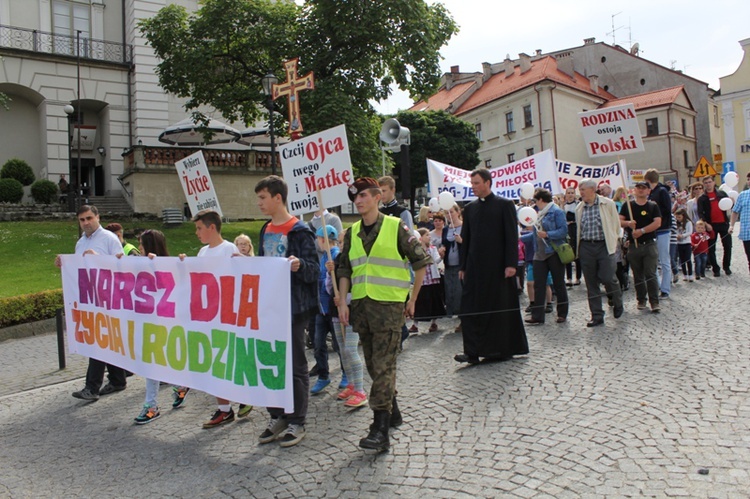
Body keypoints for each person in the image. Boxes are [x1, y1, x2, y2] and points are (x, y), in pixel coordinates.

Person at [336, 177, 430, 452]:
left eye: (364, 195)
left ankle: (379, 428)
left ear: (378, 197)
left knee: (384, 365)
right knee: (374, 365)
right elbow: (344, 269)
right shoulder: (352, 232)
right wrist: (342, 302)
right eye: (355, 197)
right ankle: (394, 411)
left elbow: (421, 261)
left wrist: (413, 298)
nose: (359, 200)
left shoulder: (395, 226)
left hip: (389, 309)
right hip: (362, 310)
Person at [255, 175, 319, 448]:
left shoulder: (300, 230)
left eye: (262, 198)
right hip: (269, 307)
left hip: (293, 308)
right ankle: (277, 416)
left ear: (277, 198)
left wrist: (299, 266)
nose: (259, 203)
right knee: (270, 363)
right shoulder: (265, 229)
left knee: (294, 365)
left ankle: (297, 420)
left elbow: (314, 269)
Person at [180, 210, 251, 428]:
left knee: (231, 360)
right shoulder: (202, 252)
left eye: (199, 228)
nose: (196, 232)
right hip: (207, 316)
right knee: (214, 363)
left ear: (212, 227)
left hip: (226, 316)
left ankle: (246, 396)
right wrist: (183, 263)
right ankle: (224, 409)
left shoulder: (229, 249)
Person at [455, 168, 528, 365]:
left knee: (499, 308)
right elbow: (466, 238)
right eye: (472, 184)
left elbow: (511, 236)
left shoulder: (504, 205)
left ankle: (501, 349)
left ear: (488, 182)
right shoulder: (470, 208)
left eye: (476, 183)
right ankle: (471, 351)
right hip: (474, 268)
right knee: (470, 308)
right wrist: (463, 266)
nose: (473, 187)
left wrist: (511, 264)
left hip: (498, 268)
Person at [55, 205, 127, 401]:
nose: (86, 223)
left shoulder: (109, 239)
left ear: (98, 217)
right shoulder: (80, 243)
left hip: (108, 299)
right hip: (90, 299)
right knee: (106, 339)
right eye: (82, 220)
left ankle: (92, 387)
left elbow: (123, 266)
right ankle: (117, 380)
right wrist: (64, 264)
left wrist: (100, 259)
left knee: (98, 342)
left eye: (89, 218)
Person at [128, 229, 179, 424]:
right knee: (158, 361)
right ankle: (177, 386)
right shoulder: (140, 264)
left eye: (141, 245)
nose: (139, 249)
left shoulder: (167, 265)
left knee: (155, 362)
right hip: (147, 321)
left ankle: (152, 405)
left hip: (163, 322)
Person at [325, 230, 368, 409]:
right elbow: (329, 286)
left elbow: (360, 287)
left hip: (353, 310)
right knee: (342, 350)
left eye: (345, 242)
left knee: (351, 349)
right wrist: (330, 275)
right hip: (337, 311)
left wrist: (344, 299)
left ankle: (360, 390)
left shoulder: (358, 260)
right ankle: (351, 384)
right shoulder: (336, 261)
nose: (342, 245)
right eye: (340, 242)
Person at [575, 179, 623, 326]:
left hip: (604, 245)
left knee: (608, 277)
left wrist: (616, 243)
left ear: (592, 189)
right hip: (586, 246)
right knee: (591, 282)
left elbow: (616, 225)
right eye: (580, 189)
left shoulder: (607, 204)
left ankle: (617, 301)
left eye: (582, 189)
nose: (580, 192)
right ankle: (596, 315)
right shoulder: (579, 208)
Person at [524, 188, 569, 325]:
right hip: (539, 253)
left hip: (554, 252)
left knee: (558, 283)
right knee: (538, 285)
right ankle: (537, 315)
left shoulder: (556, 211)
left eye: (536, 200)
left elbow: (563, 231)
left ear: (541, 200)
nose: (535, 203)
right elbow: (534, 233)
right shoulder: (538, 214)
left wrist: (548, 234)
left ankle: (562, 313)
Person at [310, 225, 345, 395]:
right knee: (318, 344)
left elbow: (343, 278)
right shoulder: (323, 256)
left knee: (339, 344)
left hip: (333, 309)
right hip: (321, 308)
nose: (317, 242)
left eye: (318, 239)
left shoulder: (336, 255)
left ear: (322, 239)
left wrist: (335, 269)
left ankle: (347, 374)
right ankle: (323, 376)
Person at [620, 181, 662, 313]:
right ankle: (641, 300)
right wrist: (628, 223)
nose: (641, 190)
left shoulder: (652, 206)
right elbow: (619, 221)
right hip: (634, 246)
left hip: (649, 243)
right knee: (638, 275)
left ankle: (654, 301)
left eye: (644, 188)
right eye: (638, 188)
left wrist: (642, 231)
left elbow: (657, 223)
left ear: (648, 191)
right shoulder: (628, 205)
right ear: (634, 191)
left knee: (650, 274)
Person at [411, 228, 446, 332]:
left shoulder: (432, 248)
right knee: (419, 302)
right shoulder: (416, 250)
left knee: (434, 301)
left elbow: (435, 260)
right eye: (427, 235)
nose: (429, 237)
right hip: (422, 281)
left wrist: (441, 256)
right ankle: (415, 324)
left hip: (432, 280)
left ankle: (434, 323)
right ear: (420, 238)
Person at [644, 169, 672, 298]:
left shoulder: (662, 191)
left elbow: (667, 209)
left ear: (648, 180)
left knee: (664, 260)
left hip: (663, 229)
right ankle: (657, 285)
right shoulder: (650, 193)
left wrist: (656, 217)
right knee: (653, 261)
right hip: (653, 230)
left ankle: (665, 288)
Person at [698, 175, 732, 276]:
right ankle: (715, 269)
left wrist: (732, 202)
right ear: (704, 184)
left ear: (713, 182)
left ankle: (727, 266)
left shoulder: (722, 194)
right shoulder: (702, 198)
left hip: (723, 224)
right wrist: (706, 224)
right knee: (711, 248)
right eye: (706, 183)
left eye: (709, 182)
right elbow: (700, 213)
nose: (708, 184)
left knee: (728, 246)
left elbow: (729, 205)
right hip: (711, 225)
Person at [443, 203, 463, 332]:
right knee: (450, 291)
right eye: (446, 213)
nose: (449, 215)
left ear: (458, 212)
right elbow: (443, 243)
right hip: (449, 264)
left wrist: (462, 241)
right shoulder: (446, 229)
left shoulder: (465, 226)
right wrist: (442, 249)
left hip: (461, 264)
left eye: (452, 212)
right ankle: (454, 313)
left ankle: (463, 319)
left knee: (460, 291)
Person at [562, 187, 582, 286]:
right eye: (568, 193)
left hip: (576, 230)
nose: (570, 195)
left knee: (577, 254)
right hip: (567, 231)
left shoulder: (578, 205)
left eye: (572, 193)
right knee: (567, 254)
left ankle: (578, 277)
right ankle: (569, 277)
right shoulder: (563, 206)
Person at [730, 186, 750, 273]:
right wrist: (731, 226)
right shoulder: (742, 195)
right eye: (748, 179)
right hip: (746, 233)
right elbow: (735, 211)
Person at [674, 209, 694, 281]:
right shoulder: (676, 223)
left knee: (688, 259)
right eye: (677, 217)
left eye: (679, 217)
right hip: (679, 243)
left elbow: (690, 232)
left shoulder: (688, 223)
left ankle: (690, 274)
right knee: (682, 260)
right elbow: (675, 231)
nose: (678, 219)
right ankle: (685, 274)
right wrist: (677, 236)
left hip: (687, 243)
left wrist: (682, 235)